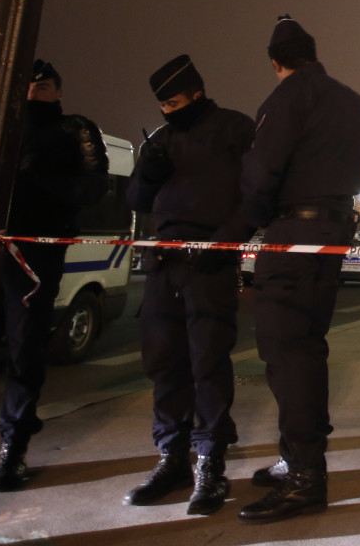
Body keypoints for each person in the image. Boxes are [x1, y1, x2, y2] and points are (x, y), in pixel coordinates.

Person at [236, 16, 360, 524]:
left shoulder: (286, 99)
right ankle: (298, 457)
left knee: (284, 352)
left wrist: (250, 221)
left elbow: (261, 169)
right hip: (334, 234)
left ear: (277, 62)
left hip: (295, 234)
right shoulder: (352, 101)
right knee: (308, 347)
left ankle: (305, 476)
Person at [123, 55, 255, 514]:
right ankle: (171, 456)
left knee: (208, 364)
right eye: (161, 106)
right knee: (164, 363)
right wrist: (149, 172)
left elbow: (255, 195)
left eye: (175, 102)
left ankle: (210, 462)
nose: (167, 112)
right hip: (164, 262)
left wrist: (225, 243)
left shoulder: (237, 130)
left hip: (211, 263)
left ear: (197, 93)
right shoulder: (160, 139)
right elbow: (135, 199)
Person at [0, 58, 108, 491]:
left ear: (59, 91)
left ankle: (12, 450)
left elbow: (94, 189)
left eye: (45, 86)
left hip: (37, 253)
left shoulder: (74, 129)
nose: (36, 92)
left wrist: (42, 175)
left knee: (24, 350)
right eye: (30, 86)